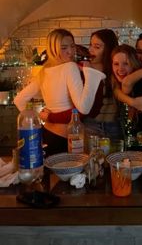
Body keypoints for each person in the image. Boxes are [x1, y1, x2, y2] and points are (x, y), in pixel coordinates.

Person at [14, 28, 106, 156]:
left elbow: (19, 100)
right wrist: (90, 74)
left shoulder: (44, 71)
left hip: (47, 133)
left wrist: (35, 122)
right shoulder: (70, 67)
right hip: (65, 139)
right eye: (63, 48)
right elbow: (84, 108)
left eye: (72, 46)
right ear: (53, 49)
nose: (70, 51)